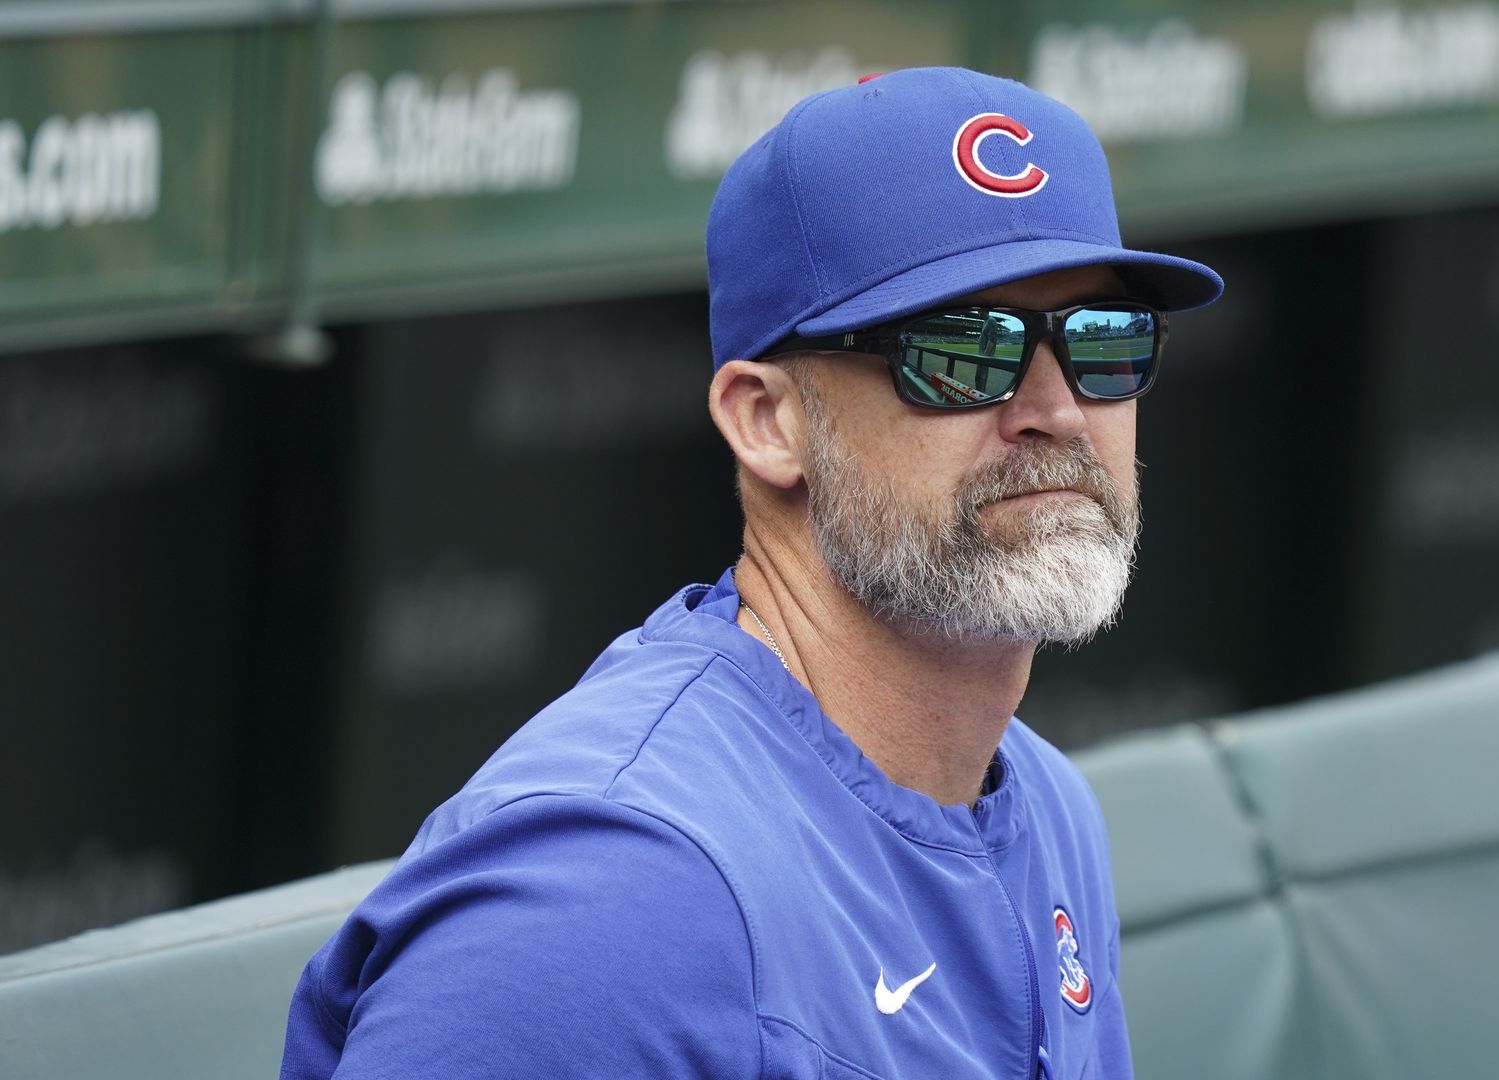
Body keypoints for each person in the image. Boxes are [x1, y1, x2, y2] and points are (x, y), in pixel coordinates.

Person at [280, 66, 1222, 1080]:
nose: (1058, 409)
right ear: (768, 422)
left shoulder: (1045, 804)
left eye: (1105, 342)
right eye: (964, 351)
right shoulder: (613, 892)